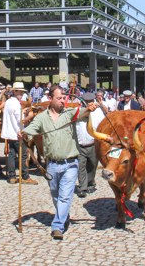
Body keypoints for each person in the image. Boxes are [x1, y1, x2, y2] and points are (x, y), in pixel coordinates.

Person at [20, 85, 96, 240]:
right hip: (52, 165)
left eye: (64, 98)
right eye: (59, 98)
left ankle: (57, 226)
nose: (62, 101)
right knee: (55, 196)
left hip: (71, 163)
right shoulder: (41, 118)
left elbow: (83, 112)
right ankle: (64, 216)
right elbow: (31, 130)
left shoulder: (70, 113)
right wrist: (24, 134)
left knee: (65, 196)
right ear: (51, 99)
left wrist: (90, 108)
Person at [1, 82, 38, 185]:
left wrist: (22, 111)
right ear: (14, 91)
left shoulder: (8, 102)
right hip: (17, 133)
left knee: (12, 155)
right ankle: (25, 176)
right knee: (23, 155)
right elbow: (20, 120)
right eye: (19, 91)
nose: (21, 94)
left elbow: (13, 115)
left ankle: (12, 176)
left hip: (10, 133)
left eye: (22, 92)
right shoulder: (16, 103)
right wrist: (29, 116)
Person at [76, 89, 107, 197]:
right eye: (86, 101)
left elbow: (102, 127)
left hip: (93, 144)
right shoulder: (77, 110)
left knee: (92, 166)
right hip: (80, 145)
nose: (89, 103)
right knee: (81, 167)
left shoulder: (98, 112)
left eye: (90, 101)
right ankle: (82, 187)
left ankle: (91, 184)